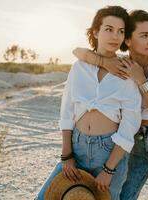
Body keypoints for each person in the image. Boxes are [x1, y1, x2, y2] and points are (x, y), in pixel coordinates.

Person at [73, 9, 148, 200]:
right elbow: (78, 52)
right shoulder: (119, 64)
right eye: (144, 35)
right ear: (128, 40)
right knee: (125, 196)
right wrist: (103, 61)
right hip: (136, 143)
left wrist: (141, 80)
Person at [34, 6, 141, 200]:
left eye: (121, 31)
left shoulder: (128, 70)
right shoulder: (79, 67)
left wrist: (109, 169)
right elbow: (67, 111)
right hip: (77, 146)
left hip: (109, 152)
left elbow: (130, 124)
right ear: (95, 32)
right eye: (108, 29)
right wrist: (66, 155)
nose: (115, 36)